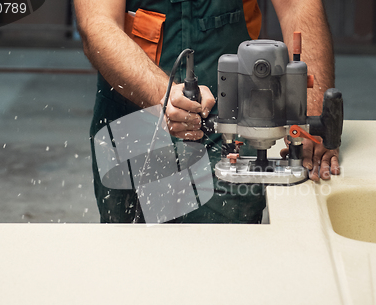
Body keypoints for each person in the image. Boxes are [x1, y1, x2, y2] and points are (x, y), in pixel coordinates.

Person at [74, 0, 340, 223]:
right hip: (133, 111)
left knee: (223, 260)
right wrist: (162, 96)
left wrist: (308, 114)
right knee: (132, 257)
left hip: (231, 120)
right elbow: (98, 23)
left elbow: (298, 5)